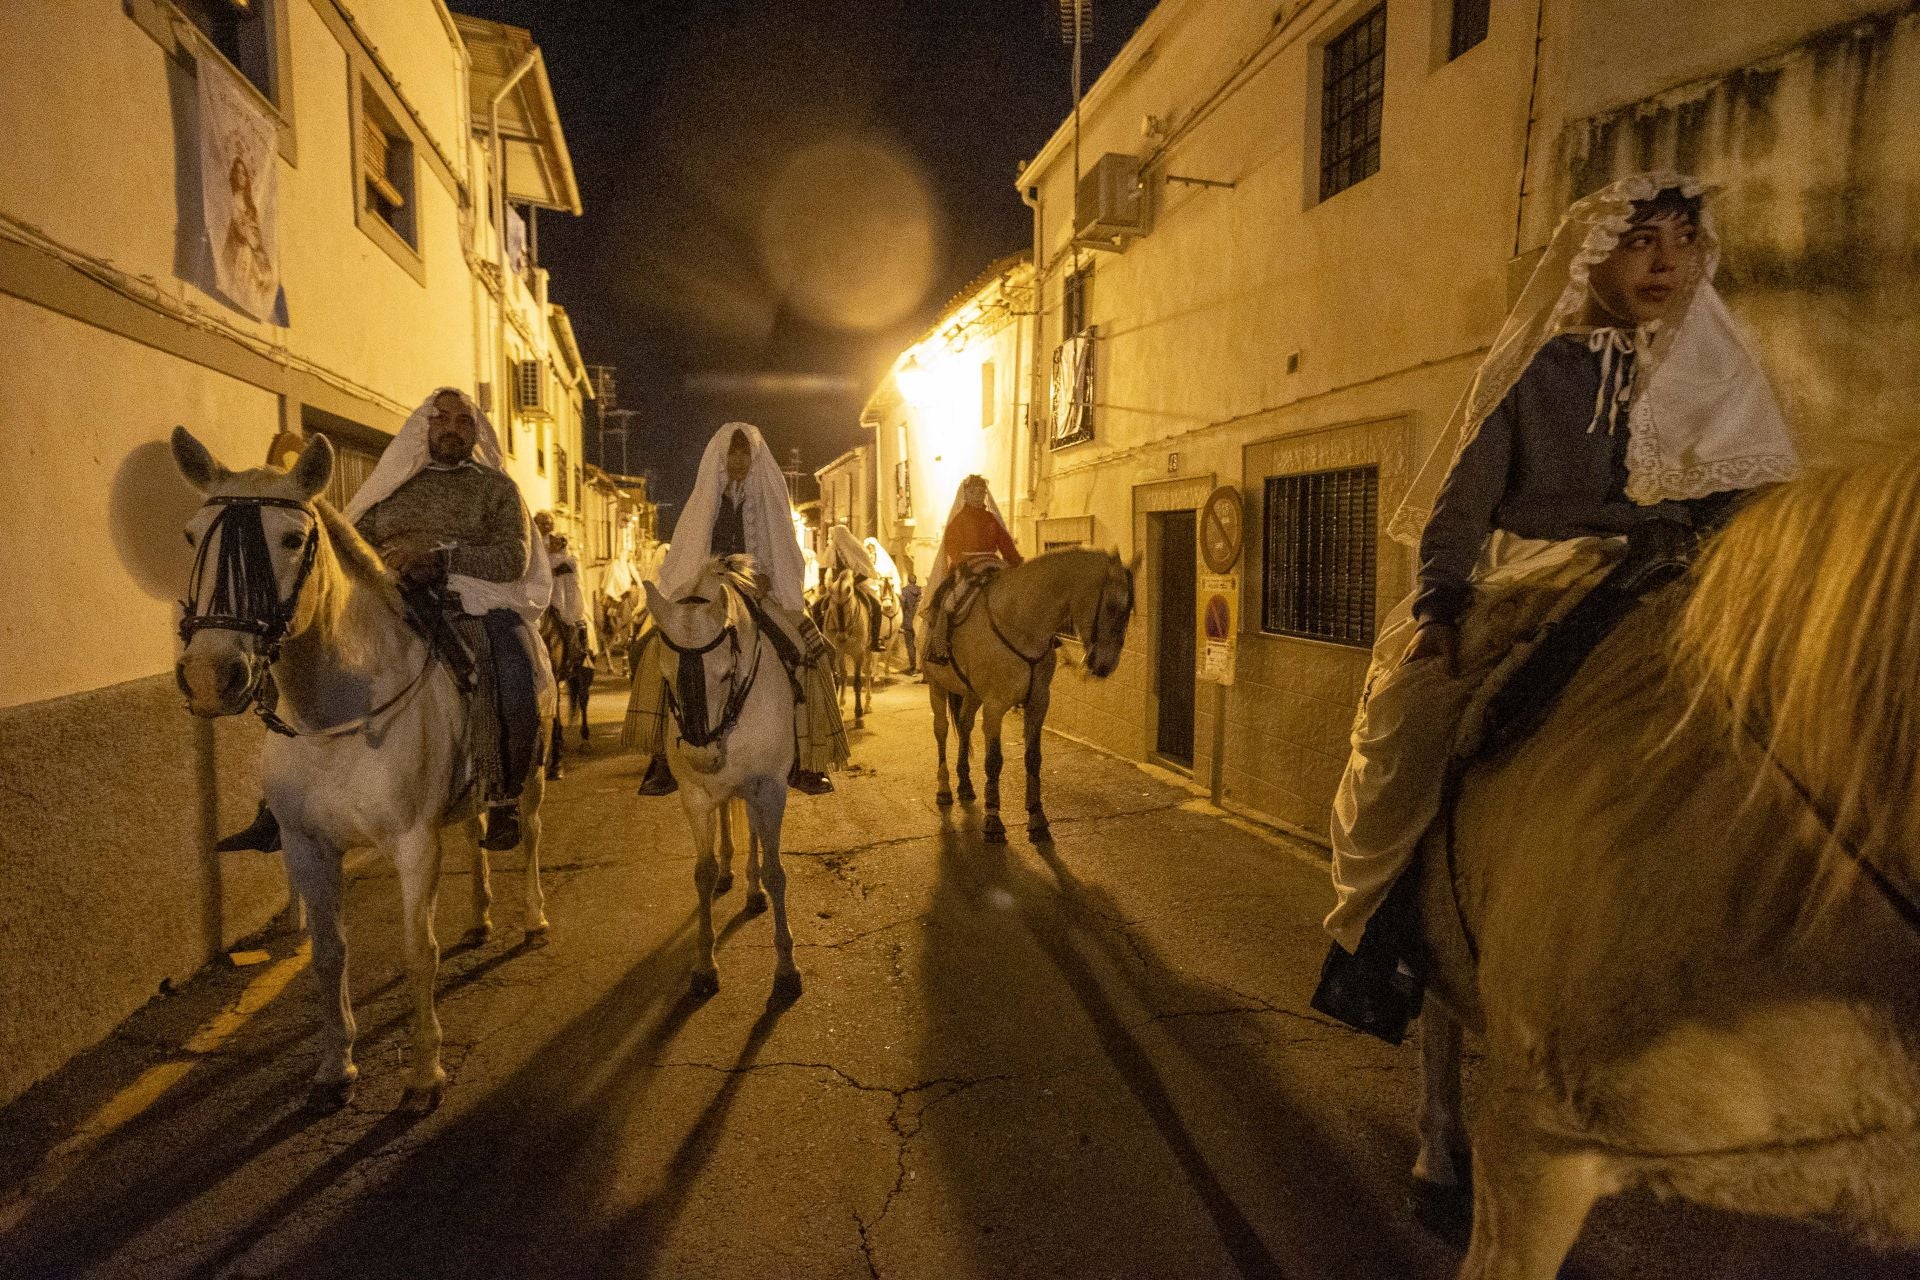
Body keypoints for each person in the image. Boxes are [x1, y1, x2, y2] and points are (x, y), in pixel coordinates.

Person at [1312, 174, 1801, 1043]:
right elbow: (1461, 504)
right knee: (1409, 723)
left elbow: (1745, 494)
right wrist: (1437, 608)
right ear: (1596, 255)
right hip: (1537, 572)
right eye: (1641, 239)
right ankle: (1378, 939)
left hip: (1674, 577)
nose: (1664, 259)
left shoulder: (1720, 367)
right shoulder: (1536, 368)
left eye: (1682, 240)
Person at [215, 388, 553, 854]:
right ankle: (275, 806)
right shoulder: (392, 484)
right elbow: (353, 544)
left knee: (513, 666)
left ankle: (503, 793)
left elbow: (513, 558)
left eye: (464, 421)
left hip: (475, 600)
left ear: (476, 432)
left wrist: (439, 559)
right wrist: (391, 566)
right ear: (424, 427)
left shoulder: (496, 489)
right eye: (443, 419)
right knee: (291, 645)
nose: (453, 428)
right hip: (391, 594)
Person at [624, 423, 846, 796]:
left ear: (754, 456)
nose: (739, 460)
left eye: (745, 453)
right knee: (645, 650)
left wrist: (768, 578)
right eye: (733, 453)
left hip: (756, 592)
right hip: (707, 591)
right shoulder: (705, 499)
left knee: (810, 649)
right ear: (722, 456)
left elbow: (782, 549)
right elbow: (689, 552)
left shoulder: (768, 498)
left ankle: (807, 758)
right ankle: (662, 757)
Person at [923, 475, 1022, 666]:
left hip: (993, 564)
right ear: (966, 495)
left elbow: (1006, 545)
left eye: (982, 492)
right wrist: (962, 564)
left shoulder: (992, 519)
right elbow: (951, 545)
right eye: (974, 492)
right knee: (947, 603)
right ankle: (940, 646)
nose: (979, 496)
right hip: (967, 566)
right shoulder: (958, 520)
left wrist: (1017, 563)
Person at [826, 523, 886, 652]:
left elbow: (866, 572)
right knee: (817, 607)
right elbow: (828, 568)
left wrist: (851, 582)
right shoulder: (833, 551)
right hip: (837, 587)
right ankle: (821, 640)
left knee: (876, 605)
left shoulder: (855, 549)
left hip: (856, 585)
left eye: (834, 535)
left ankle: (874, 641)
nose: (832, 538)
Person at [899, 561, 923, 676]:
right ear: (916, 580)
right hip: (919, 621)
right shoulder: (921, 591)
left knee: (910, 645)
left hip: (908, 621)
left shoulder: (904, 591)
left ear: (908, 580)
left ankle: (913, 668)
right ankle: (921, 667)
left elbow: (902, 607)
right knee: (919, 644)